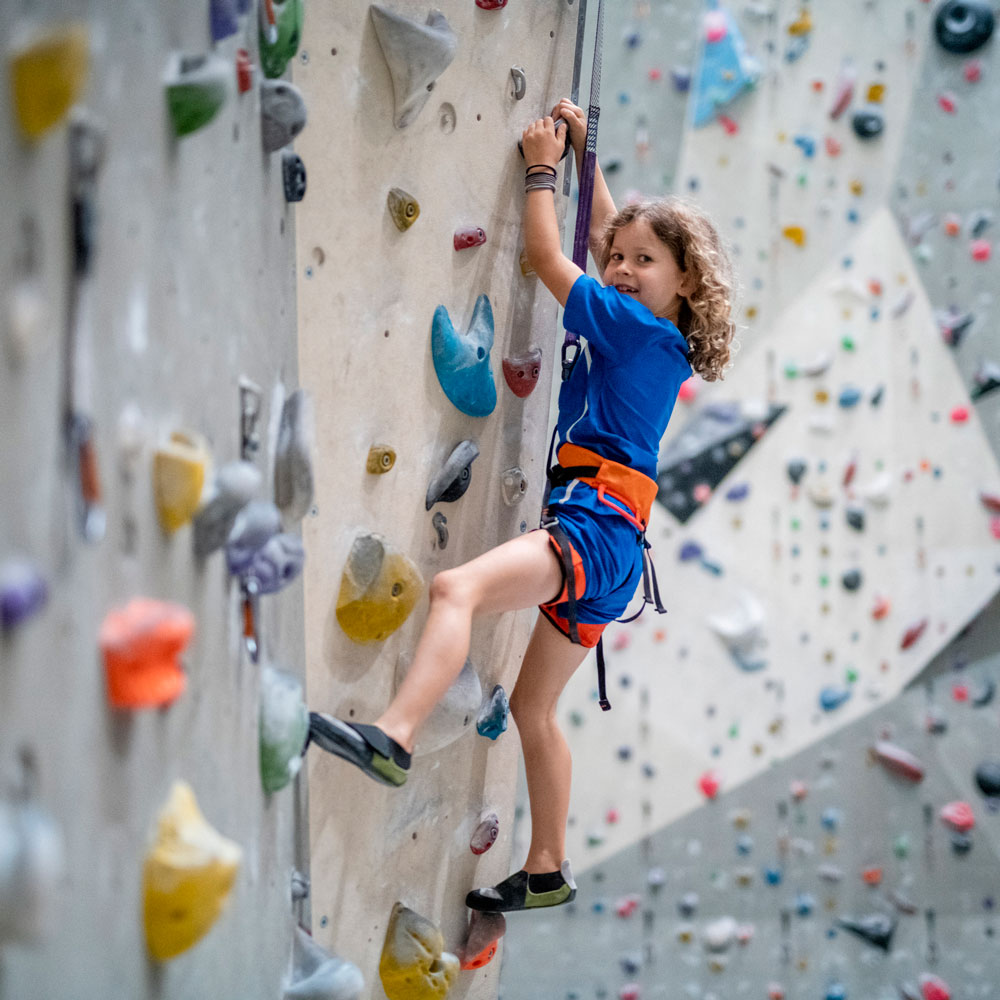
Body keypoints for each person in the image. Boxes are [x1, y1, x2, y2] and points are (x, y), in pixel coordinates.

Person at [306, 98, 736, 913]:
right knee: (535, 708)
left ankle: (393, 736)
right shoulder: (652, 329)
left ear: (683, 286)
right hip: (617, 552)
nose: (620, 268)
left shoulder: (630, 326)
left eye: (645, 263)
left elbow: (547, 253)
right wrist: (589, 160)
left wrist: (543, 166)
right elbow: (610, 237)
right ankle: (546, 867)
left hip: (593, 524)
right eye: (620, 260)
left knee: (454, 591)